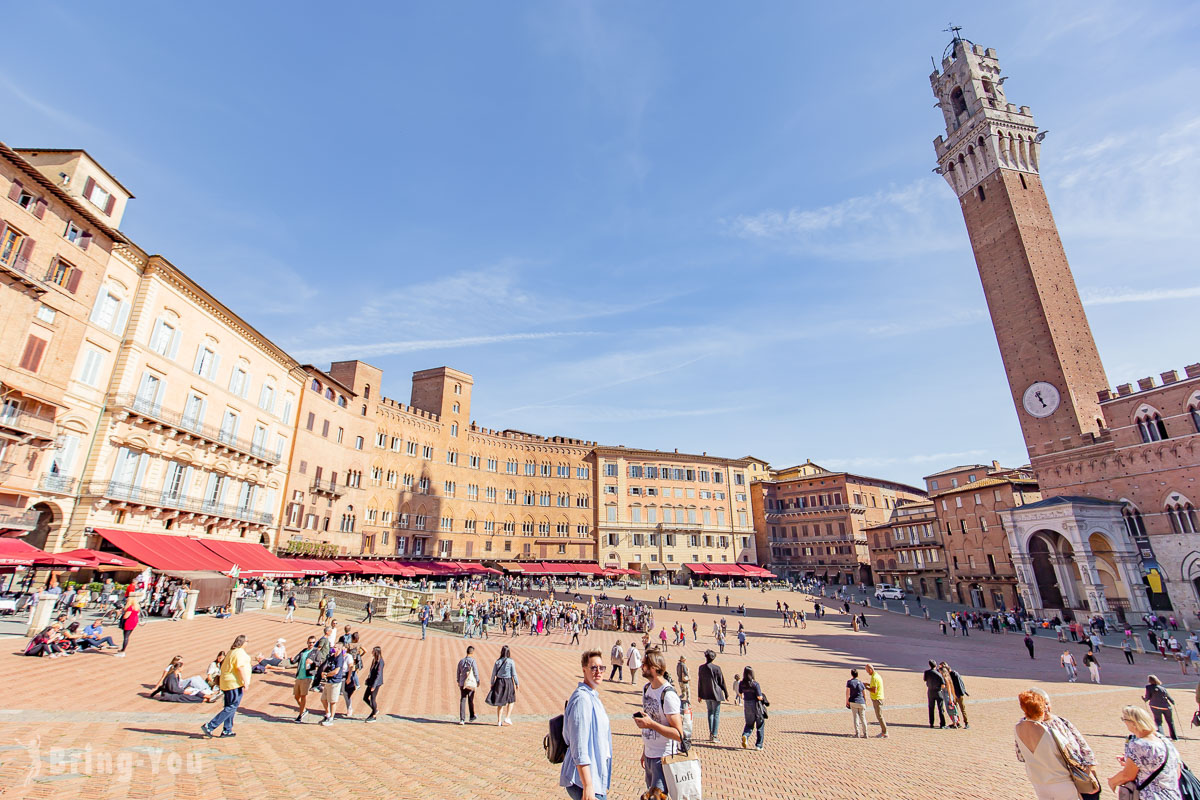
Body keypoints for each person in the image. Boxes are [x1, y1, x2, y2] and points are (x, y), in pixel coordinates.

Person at [561, 650, 612, 800]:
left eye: (601, 668)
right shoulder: (582, 700)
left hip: (594, 777)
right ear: (584, 670)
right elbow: (579, 745)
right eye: (593, 668)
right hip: (585, 782)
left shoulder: (592, 696)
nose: (598, 671)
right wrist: (588, 785)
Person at [1014, 690, 1081, 799]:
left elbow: (1021, 756)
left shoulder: (1017, 728)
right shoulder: (1050, 731)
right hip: (1061, 780)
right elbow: (1073, 754)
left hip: (1038, 781)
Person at [634, 648, 684, 794]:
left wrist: (651, 724)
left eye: (644, 664)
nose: (641, 666)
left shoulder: (668, 695)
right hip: (650, 755)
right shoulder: (647, 689)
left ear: (654, 669)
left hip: (663, 758)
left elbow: (678, 734)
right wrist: (645, 750)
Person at [1107, 705, 1182, 798]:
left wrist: (1112, 782)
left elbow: (1127, 775)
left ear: (1133, 723)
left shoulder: (1138, 745)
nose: (1124, 722)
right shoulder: (1164, 741)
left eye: (1124, 719)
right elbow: (1176, 772)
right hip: (1172, 795)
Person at [201, 635, 250, 738]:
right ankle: (210, 725)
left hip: (227, 682)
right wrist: (245, 681)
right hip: (234, 683)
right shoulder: (239, 652)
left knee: (229, 706)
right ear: (242, 642)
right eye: (247, 641)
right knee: (232, 706)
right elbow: (240, 667)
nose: (248, 643)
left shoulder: (231, 652)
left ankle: (227, 729)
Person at [697, 649, 728, 743]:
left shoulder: (701, 668)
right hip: (716, 693)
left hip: (706, 693)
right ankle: (714, 734)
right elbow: (721, 681)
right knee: (716, 714)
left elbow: (700, 682)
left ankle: (711, 733)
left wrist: (700, 694)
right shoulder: (716, 668)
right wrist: (726, 693)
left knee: (710, 712)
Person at [485, 644, 519, 726]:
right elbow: (514, 674)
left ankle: (499, 721)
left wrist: (492, 683)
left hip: (499, 681)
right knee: (511, 700)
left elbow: (493, 674)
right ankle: (507, 717)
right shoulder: (511, 661)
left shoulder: (498, 661)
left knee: (500, 701)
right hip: (508, 681)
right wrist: (517, 683)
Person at [318, 641, 349, 726]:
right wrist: (322, 673)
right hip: (329, 681)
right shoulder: (332, 657)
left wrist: (327, 674)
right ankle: (327, 714)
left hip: (335, 682)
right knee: (323, 699)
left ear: (339, 649)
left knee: (332, 701)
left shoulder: (340, 658)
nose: (332, 648)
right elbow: (326, 665)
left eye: (334, 647)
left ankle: (331, 718)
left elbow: (336, 671)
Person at [290, 635, 318, 722]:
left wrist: (312, 663)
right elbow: (295, 660)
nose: (311, 644)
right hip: (299, 676)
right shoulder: (304, 651)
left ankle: (300, 715)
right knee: (296, 696)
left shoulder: (316, 652)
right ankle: (304, 710)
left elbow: (319, 663)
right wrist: (291, 660)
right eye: (310, 642)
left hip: (308, 676)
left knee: (303, 696)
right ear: (307, 642)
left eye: (313, 642)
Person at [739, 665, 766, 750]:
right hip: (756, 705)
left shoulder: (742, 683)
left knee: (749, 724)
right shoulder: (755, 684)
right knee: (760, 725)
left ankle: (745, 736)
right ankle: (759, 745)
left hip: (747, 704)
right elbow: (759, 697)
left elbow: (740, 694)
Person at [1144, 675, 1179, 741]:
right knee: (1170, 722)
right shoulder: (1163, 688)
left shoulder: (1148, 687)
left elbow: (1147, 697)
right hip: (1166, 707)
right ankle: (1174, 737)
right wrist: (1173, 702)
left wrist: (1144, 699)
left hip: (1155, 706)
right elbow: (1169, 697)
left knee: (1158, 721)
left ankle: (1162, 736)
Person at [941, 661, 970, 729]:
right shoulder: (949, 675)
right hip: (954, 695)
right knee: (955, 709)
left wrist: (961, 693)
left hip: (958, 695)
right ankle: (957, 723)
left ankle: (966, 723)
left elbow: (960, 684)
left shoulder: (954, 674)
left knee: (962, 709)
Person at [457, 645, 480, 724]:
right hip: (470, 683)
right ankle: (471, 716)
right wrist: (477, 681)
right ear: (472, 652)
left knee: (463, 699)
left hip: (463, 683)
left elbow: (458, 672)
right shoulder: (473, 661)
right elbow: (476, 672)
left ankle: (462, 719)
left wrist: (458, 680)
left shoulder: (461, 661)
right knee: (471, 699)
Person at [864, 664, 888, 738]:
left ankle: (885, 732)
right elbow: (874, 685)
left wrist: (866, 687)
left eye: (867, 671)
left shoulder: (874, 677)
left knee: (879, 716)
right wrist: (868, 684)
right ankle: (884, 731)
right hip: (878, 698)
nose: (867, 672)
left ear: (870, 670)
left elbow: (874, 690)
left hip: (877, 699)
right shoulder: (876, 675)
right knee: (879, 715)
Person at [362, 645, 384, 722]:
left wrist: (374, 686)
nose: (372, 652)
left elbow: (379, 674)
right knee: (365, 698)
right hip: (371, 681)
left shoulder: (380, 662)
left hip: (376, 683)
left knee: (372, 698)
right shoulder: (374, 660)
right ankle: (375, 710)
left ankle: (374, 715)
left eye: (373, 651)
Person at [923, 660, 947, 728]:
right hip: (938, 692)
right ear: (935, 665)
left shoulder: (926, 672)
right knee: (940, 708)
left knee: (931, 707)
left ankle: (931, 723)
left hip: (930, 691)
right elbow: (943, 685)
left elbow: (925, 680)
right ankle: (942, 724)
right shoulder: (938, 674)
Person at [846, 668, 868, 738]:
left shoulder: (849, 682)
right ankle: (865, 733)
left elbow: (847, 693)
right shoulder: (861, 683)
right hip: (861, 701)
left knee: (855, 718)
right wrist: (865, 701)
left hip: (853, 701)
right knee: (863, 718)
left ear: (852, 674)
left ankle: (857, 733)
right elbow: (864, 694)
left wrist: (847, 701)